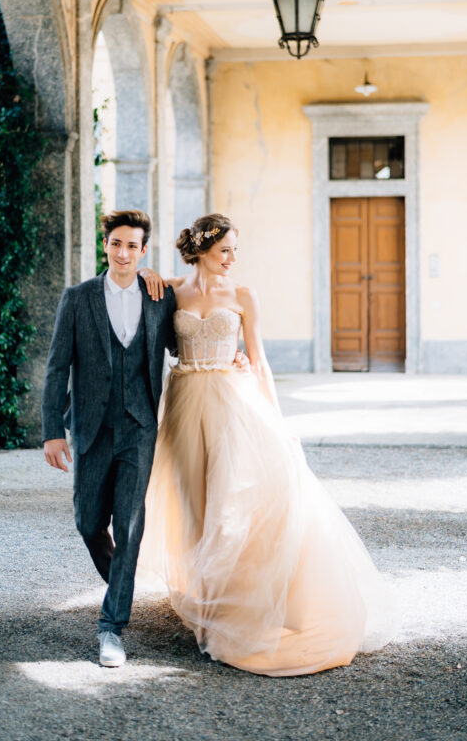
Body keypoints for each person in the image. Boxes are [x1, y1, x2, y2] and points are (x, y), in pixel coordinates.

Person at [139, 213, 398, 676]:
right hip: (181, 404)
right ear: (200, 250)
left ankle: (229, 605)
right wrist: (146, 272)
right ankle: (204, 594)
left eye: (236, 250)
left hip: (228, 403)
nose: (233, 259)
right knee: (191, 502)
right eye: (225, 251)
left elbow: (259, 362)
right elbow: (139, 286)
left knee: (229, 502)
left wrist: (277, 420)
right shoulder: (174, 290)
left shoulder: (243, 295)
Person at [41, 209, 178, 669]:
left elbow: (186, 339)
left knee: (131, 524)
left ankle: (111, 628)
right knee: (87, 521)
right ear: (106, 245)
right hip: (91, 429)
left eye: (132, 246)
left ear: (143, 251)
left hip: (140, 426)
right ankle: (125, 576)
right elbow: (58, 366)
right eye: (116, 244)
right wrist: (51, 433)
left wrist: (233, 357)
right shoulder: (77, 298)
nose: (123, 253)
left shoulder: (161, 297)